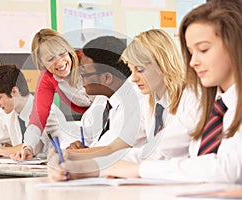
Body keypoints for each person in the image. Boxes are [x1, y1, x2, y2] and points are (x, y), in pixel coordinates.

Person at [51, 0, 242, 183]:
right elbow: (155, 151)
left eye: (204, 49)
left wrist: (133, 170)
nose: (193, 62)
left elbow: (228, 169)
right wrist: (89, 166)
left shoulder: (195, 99)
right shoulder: (216, 104)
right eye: (191, 53)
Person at [47, 29, 202, 181]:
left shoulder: (190, 98)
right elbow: (117, 148)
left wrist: (89, 166)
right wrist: (72, 157)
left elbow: (159, 152)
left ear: (161, 65)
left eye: (140, 70)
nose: (133, 79)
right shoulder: (150, 104)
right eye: (132, 70)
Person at [11, 28, 94, 160]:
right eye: (50, 59)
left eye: (62, 54)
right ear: (41, 63)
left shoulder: (87, 60)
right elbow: (38, 116)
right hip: (94, 123)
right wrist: (28, 147)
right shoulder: (47, 78)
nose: (60, 62)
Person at [65, 36, 144, 159]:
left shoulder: (135, 101)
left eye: (84, 73)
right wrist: (80, 148)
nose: (81, 78)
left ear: (107, 78)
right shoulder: (104, 100)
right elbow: (94, 140)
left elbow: (112, 150)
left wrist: (75, 155)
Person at [0, 64, 36, 157]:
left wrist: (1, 151)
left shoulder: (44, 110)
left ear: (14, 91)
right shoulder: (9, 114)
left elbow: (35, 145)